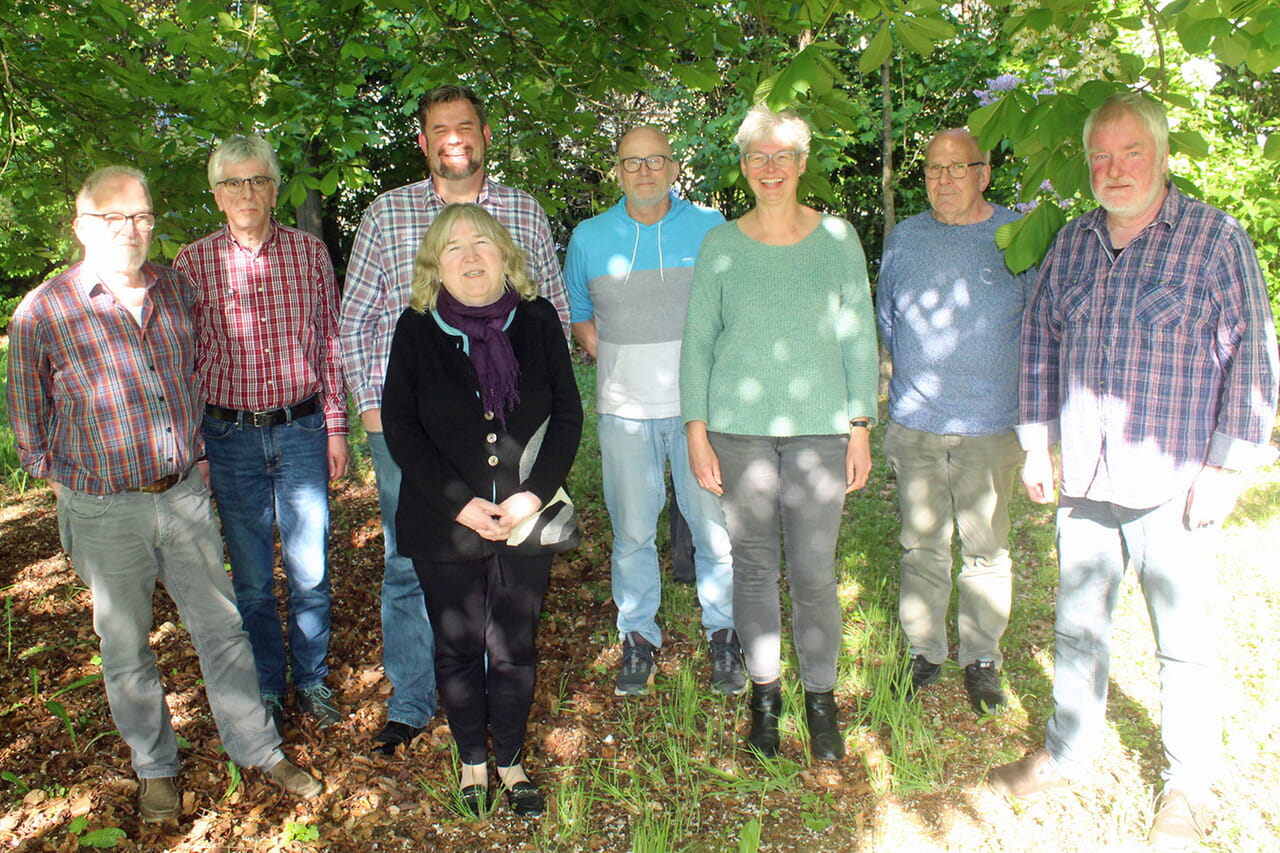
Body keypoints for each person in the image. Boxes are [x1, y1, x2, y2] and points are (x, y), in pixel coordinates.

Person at [987, 94, 1278, 848]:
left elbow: (1253, 356)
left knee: (1182, 640)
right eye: (1100, 158)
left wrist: (1227, 465)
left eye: (1130, 154)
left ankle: (1187, 785)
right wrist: (1033, 442)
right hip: (1084, 477)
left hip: (1175, 481)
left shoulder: (1215, 241)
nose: (1114, 171)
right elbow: (1039, 341)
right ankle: (1067, 749)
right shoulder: (1076, 243)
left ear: (1161, 154)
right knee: (1078, 624)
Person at [6, 167, 323, 822]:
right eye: (113, 218)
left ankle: (258, 747)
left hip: (182, 495)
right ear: (81, 226)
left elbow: (194, 374)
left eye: (142, 216)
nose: (131, 230)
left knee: (223, 628)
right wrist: (77, 481)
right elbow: (29, 428)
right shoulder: (44, 311)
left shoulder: (175, 289)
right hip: (103, 508)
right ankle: (155, 767)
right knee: (126, 648)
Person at [339, 84, 571, 756]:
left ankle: (497, 710)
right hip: (415, 429)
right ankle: (413, 702)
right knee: (411, 562)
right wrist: (375, 413)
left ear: (485, 133)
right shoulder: (387, 215)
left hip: (512, 433)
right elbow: (356, 319)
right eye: (440, 129)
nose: (454, 139)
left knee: (512, 558)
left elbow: (547, 304)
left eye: (465, 126)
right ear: (423, 141)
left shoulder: (521, 212)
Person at [681, 105, 879, 761]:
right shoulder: (721, 244)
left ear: (801, 163)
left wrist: (859, 425)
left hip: (821, 430)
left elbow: (858, 340)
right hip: (737, 431)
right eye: (757, 157)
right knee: (755, 567)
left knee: (815, 570)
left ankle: (821, 702)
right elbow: (698, 346)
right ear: (744, 166)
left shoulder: (838, 240)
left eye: (782, 156)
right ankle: (765, 699)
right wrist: (696, 431)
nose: (770, 168)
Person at [382, 203, 582, 817]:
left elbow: (570, 414)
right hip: (446, 523)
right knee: (458, 644)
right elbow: (400, 426)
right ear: (434, 266)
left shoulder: (540, 319)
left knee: (515, 644)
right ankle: (473, 758)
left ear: (505, 253)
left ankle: (512, 759)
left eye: (481, 243)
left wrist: (531, 496)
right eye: (452, 247)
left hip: (529, 517)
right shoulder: (416, 327)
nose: (469, 256)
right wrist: (460, 505)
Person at [175, 135, 348, 733]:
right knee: (250, 579)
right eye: (233, 183)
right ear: (217, 194)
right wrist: (195, 445)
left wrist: (337, 428)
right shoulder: (193, 264)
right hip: (228, 438)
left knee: (310, 571)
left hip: (301, 429)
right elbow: (186, 360)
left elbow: (330, 340)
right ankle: (268, 686)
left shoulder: (309, 253)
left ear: (274, 189)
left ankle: (313, 681)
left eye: (257, 181)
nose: (246, 193)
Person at [565, 126, 742, 697]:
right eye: (630, 162)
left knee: (713, 530)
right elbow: (581, 316)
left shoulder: (711, 227)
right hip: (625, 412)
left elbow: (729, 311)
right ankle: (638, 635)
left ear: (673, 166)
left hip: (701, 412)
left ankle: (724, 635)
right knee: (632, 532)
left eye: (655, 161)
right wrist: (622, 364)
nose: (643, 172)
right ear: (616, 171)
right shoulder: (590, 237)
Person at [877, 128, 1031, 715]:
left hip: (993, 423)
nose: (943, 181)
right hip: (916, 419)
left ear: (983, 173)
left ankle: (982, 658)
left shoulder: (1016, 236)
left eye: (956, 169)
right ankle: (925, 651)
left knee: (986, 548)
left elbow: (1040, 325)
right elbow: (888, 318)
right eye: (933, 170)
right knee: (920, 543)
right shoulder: (906, 238)